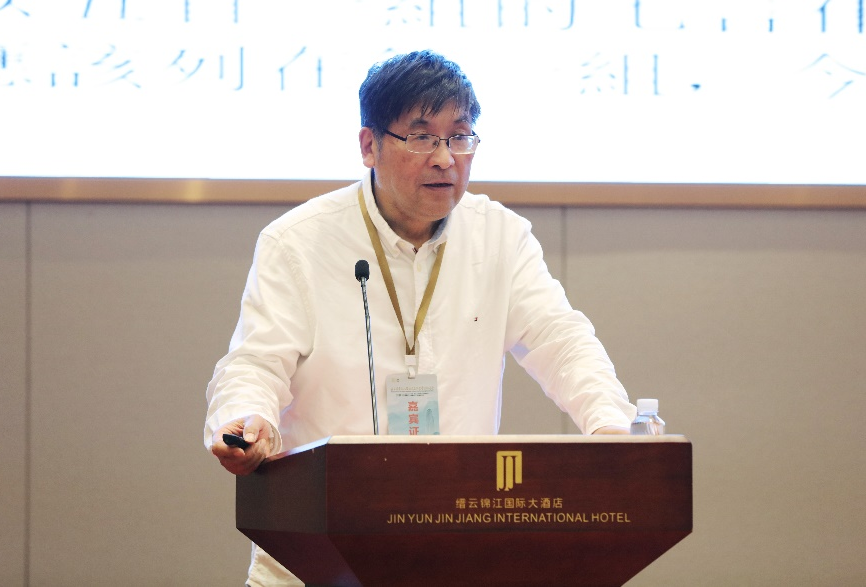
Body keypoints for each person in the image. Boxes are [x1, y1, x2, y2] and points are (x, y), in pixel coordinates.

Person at [204, 50, 636, 586]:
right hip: (318, 556)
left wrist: (610, 426)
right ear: (369, 146)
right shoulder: (298, 241)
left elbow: (560, 339)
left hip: (451, 547)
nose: (445, 158)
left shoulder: (499, 236)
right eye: (422, 137)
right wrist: (248, 417)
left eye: (460, 136)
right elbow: (256, 361)